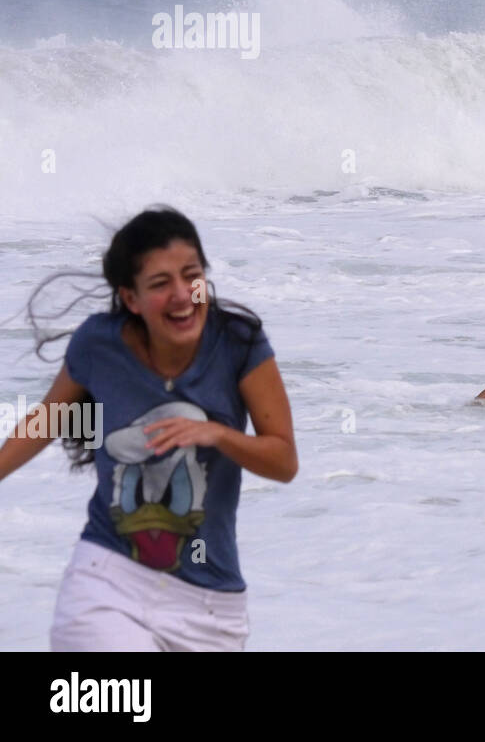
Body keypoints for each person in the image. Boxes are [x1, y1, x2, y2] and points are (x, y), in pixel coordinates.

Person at [0, 206, 296, 651]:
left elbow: (284, 461)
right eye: (160, 284)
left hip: (211, 608)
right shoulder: (100, 344)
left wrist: (219, 434)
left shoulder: (238, 343)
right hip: (108, 580)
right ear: (132, 298)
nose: (182, 294)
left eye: (191, 275)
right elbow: (50, 418)